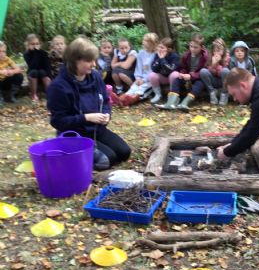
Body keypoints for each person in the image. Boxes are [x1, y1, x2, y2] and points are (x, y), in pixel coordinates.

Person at [47, 37, 131, 170]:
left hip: (96, 129)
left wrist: (106, 114)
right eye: (89, 61)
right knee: (107, 160)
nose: (93, 64)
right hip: (75, 134)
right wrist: (86, 118)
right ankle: (67, 150)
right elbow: (58, 121)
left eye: (94, 60)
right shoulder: (59, 87)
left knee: (124, 152)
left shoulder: (95, 76)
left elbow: (105, 100)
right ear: (74, 61)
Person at [156, 33, 208, 111]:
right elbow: (183, 67)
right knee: (177, 80)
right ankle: (171, 103)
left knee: (199, 84)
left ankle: (185, 103)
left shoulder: (205, 56)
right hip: (187, 76)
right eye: (191, 46)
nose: (192, 49)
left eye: (195, 47)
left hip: (198, 78)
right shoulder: (186, 55)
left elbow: (205, 71)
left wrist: (191, 76)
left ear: (202, 47)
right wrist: (182, 73)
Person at [112, 33, 159, 106]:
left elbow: (154, 71)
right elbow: (138, 68)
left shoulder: (156, 55)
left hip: (150, 79)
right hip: (140, 78)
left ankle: (131, 100)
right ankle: (120, 99)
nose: (143, 42)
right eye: (143, 40)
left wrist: (144, 80)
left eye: (146, 41)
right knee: (133, 88)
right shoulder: (141, 53)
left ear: (152, 43)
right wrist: (138, 78)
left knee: (142, 89)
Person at [148, 38, 180, 104]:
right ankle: (158, 95)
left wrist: (162, 59)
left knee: (175, 74)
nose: (159, 49)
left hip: (173, 78)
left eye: (162, 48)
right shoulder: (157, 55)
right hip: (163, 78)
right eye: (159, 47)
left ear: (169, 49)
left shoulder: (175, 56)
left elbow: (170, 70)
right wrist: (159, 59)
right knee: (152, 75)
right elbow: (153, 69)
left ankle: (172, 96)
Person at [200, 38, 231, 106]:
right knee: (203, 71)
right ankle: (212, 92)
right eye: (215, 50)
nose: (217, 52)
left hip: (223, 82)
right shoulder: (210, 57)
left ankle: (224, 94)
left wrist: (217, 64)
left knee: (225, 71)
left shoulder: (227, 57)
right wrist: (213, 64)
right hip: (213, 80)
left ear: (224, 50)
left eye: (219, 50)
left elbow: (224, 73)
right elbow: (208, 71)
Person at [23, 34, 52, 103]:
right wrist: (35, 52)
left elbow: (47, 66)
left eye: (37, 44)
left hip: (43, 76)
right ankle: (34, 95)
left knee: (42, 72)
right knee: (34, 72)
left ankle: (50, 94)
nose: (35, 46)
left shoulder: (44, 53)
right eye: (32, 44)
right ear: (28, 45)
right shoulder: (26, 54)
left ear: (40, 44)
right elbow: (33, 66)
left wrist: (49, 77)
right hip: (32, 75)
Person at [0, 41, 23, 107]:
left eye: (3, 51)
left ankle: (10, 95)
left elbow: (18, 69)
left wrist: (11, 72)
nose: (1, 54)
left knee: (19, 76)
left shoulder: (7, 59)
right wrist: (1, 72)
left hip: (4, 82)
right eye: (0, 51)